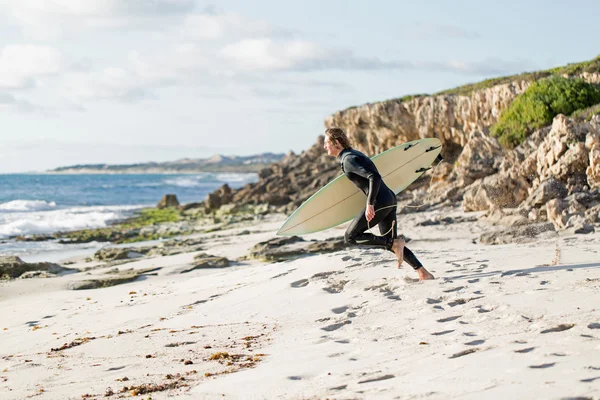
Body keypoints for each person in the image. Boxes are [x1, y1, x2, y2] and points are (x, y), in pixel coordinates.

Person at [323, 127, 435, 281]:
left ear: (336, 142)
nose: (324, 147)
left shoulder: (348, 159)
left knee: (350, 236)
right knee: (392, 244)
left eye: (326, 142)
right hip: (389, 199)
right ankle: (423, 273)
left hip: (379, 202)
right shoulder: (355, 154)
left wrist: (370, 204)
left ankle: (396, 244)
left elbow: (373, 176)